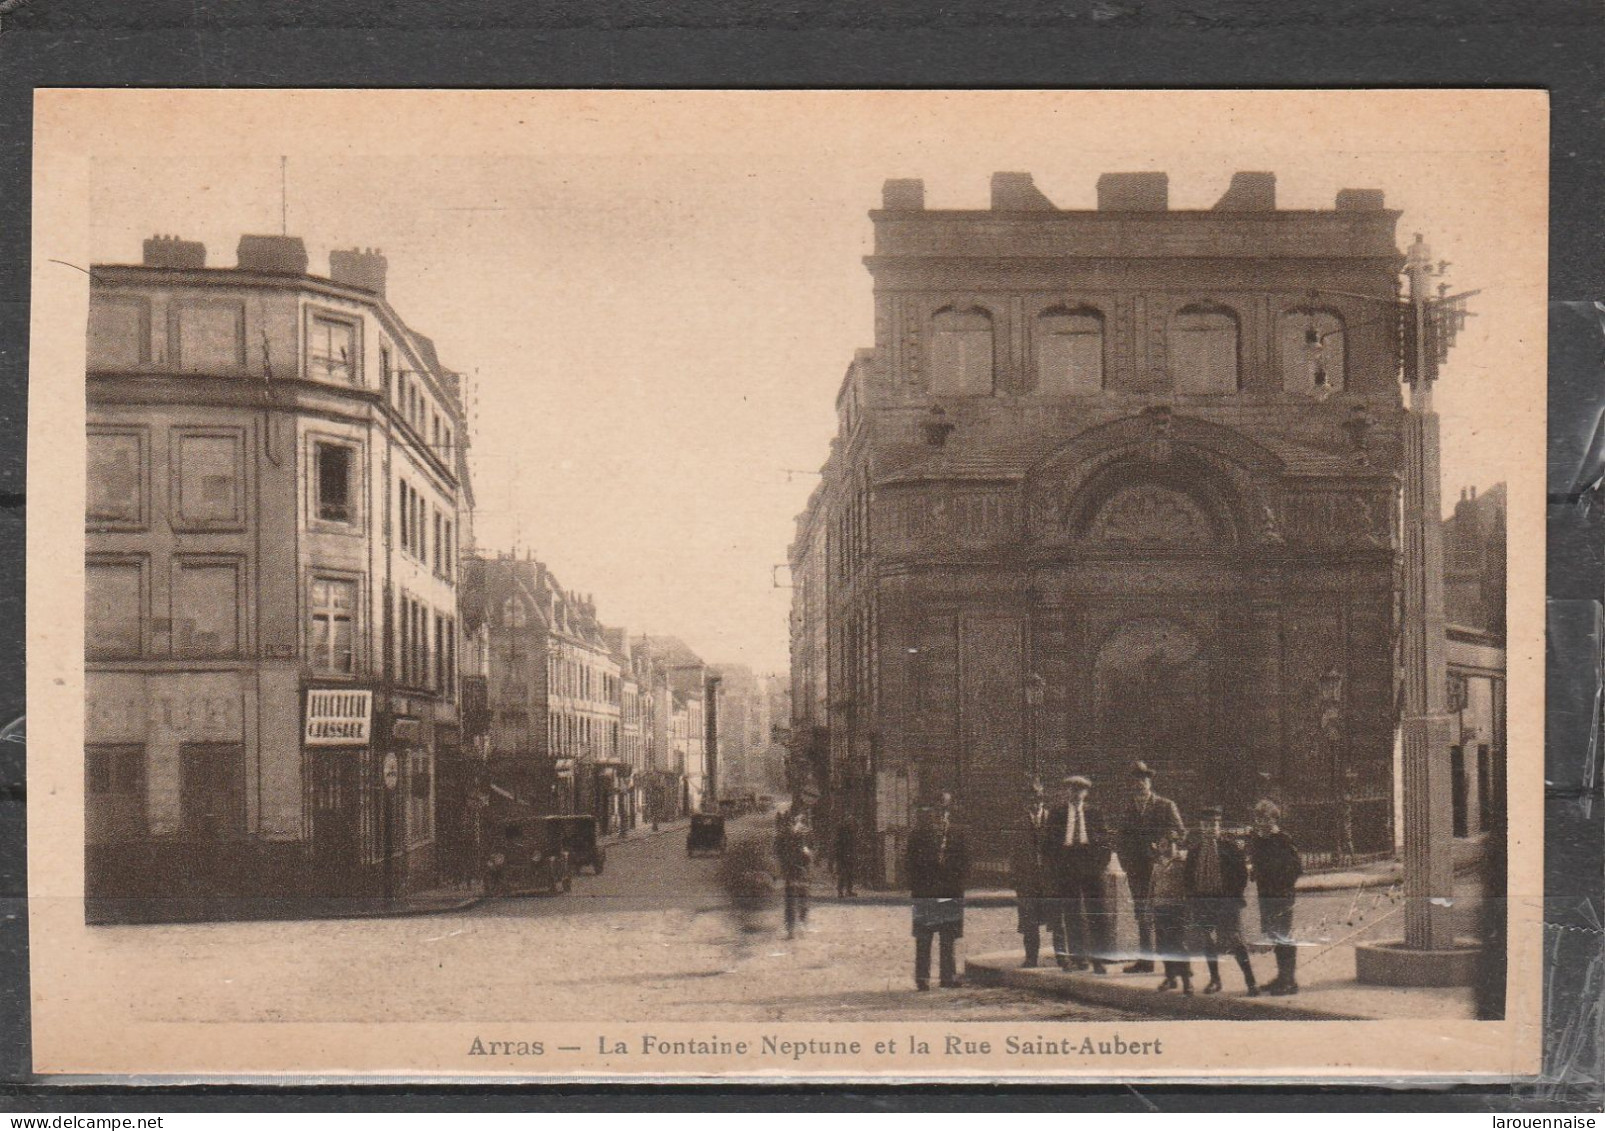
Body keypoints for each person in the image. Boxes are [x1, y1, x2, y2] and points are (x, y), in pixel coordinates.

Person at [1115, 761, 1186, 974]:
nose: (1140, 784)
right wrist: (1126, 863)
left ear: (1150, 781)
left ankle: (1174, 962)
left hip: (1161, 869)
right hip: (1137, 870)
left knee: (1165, 912)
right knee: (1142, 913)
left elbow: (1180, 832)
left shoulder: (1165, 805)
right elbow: (1121, 839)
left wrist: (1165, 842)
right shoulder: (1127, 808)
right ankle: (1146, 961)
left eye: (1144, 779)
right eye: (1136, 780)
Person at [1183, 806, 1258, 996]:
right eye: (1206, 824)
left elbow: (1241, 875)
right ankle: (1215, 980)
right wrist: (1193, 899)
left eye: (1214, 824)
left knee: (1234, 940)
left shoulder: (1230, 848)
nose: (1210, 828)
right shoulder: (1195, 851)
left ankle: (1251, 981)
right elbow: (1188, 878)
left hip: (1226, 901)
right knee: (1208, 940)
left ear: (1219, 825)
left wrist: (1232, 898)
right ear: (1201, 826)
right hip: (1203, 900)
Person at [1042, 775, 1113, 975]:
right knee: (1072, 913)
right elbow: (1047, 845)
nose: (1076, 794)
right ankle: (1078, 957)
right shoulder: (1056, 814)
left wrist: (1099, 865)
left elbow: (1105, 841)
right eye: (1072, 790)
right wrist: (1057, 866)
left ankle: (1099, 959)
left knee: (1096, 913)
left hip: (1090, 865)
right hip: (1067, 865)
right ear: (1067, 792)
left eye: (1080, 790)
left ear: (1086, 793)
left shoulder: (1094, 813)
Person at [906, 793, 968, 990]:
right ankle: (922, 977)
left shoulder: (958, 832)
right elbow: (909, 863)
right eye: (937, 810)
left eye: (944, 810)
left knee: (948, 935)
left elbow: (966, 862)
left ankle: (947, 976)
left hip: (949, 889)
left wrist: (958, 884)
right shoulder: (918, 833)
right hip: (926, 890)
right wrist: (917, 888)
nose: (940, 815)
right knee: (924, 936)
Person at [1249, 799, 1303, 996]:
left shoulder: (1283, 839)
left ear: (1274, 819)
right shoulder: (1258, 840)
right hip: (1266, 895)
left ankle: (1289, 981)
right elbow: (1258, 864)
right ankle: (1282, 977)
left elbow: (1296, 868)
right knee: (1274, 935)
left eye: (1265, 818)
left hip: (1281, 895)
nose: (1261, 822)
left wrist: (1279, 881)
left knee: (1283, 935)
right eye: (1258, 818)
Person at [1010, 777, 1052, 968]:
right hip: (1027, 880)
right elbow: (1014, 854)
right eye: (1031, 801)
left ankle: (1062, 955)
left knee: (1055, 918)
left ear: (1043, 800)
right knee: (1029, 921)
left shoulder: (1052, 821)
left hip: (1049, 879)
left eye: (1038, 800)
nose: (1035, 804)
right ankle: (1031, 957)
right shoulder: (1018, 823)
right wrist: (1016, 880)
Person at [1148, 832, 1193, 994]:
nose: (1164, 848)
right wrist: (1149, 908)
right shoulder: (1157, 864)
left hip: (1177, 908)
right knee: (1164, 945)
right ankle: (1170, 977)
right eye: (1161, 845)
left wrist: (1188, 908)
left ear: (1175, 845)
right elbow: (1151, 888)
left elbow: (1187, 887)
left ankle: (1187, 981)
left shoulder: (1181, 864)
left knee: (1179, 944)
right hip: (1160, 908)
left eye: (1167, 844)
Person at [775, 812, 814, 939]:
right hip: (798, 871)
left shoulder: (785, 834)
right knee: (798, 899)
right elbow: (810, 853)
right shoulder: (803, 833)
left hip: (796, 871)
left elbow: (777, 852)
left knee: (796, 899)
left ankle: (795, 928)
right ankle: (796, 927)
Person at [834, 812, 859, 898]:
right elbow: (837, 843)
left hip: (848, 854)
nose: (852, 823)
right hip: (842, 854)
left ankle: (848, 891)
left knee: (849, 873)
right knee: (842, 873)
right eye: (850, 821)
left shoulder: (850, 831)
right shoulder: (842, 830)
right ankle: (840, 891)